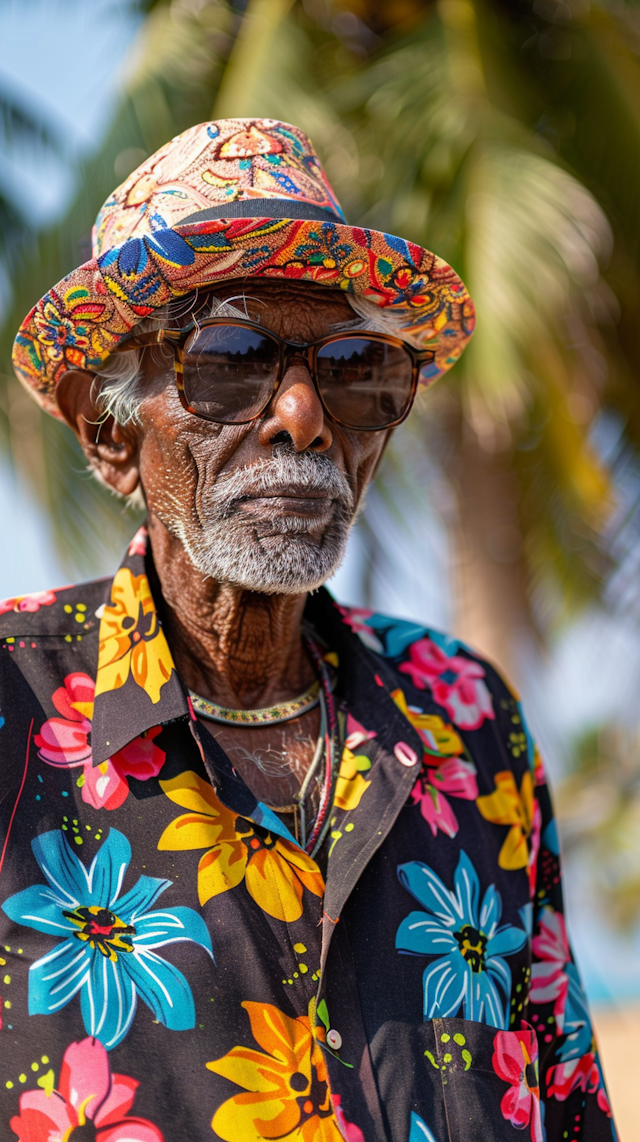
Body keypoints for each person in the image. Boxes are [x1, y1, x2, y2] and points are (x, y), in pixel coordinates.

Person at [1, 118, 615, 1142]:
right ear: (111, 431)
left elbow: (567, 1095)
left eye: (354, 367)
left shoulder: (464, 714)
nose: (302, 412)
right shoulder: (13, 707)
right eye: (231, 356)